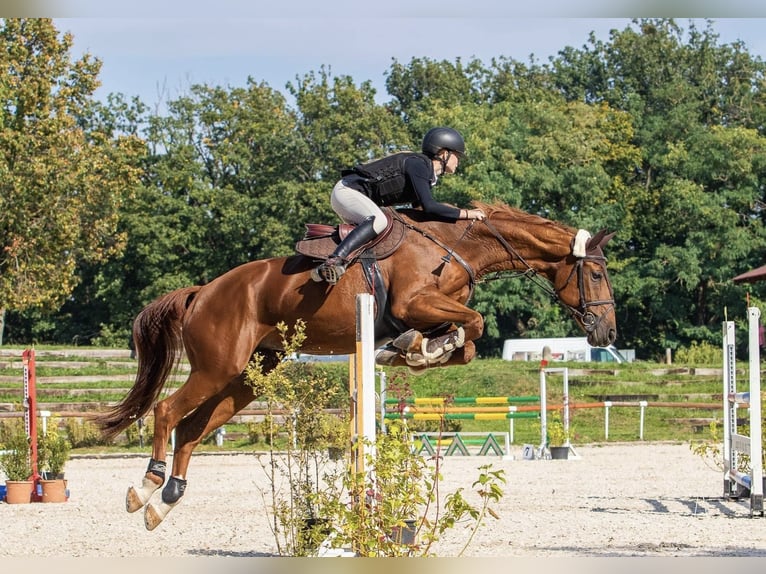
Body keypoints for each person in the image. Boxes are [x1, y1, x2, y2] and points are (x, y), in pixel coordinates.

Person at [311, 127, 486, 284]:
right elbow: (430, 207)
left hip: (358, 197)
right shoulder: (419, 165)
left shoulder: (426, 173)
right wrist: (468, 214)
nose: (459, 161)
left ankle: (348, 272)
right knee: (379, 220)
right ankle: (334, 260)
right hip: (348, 191)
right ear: (443, 153)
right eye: (457, 155)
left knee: (386, 228)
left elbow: (421, 212)